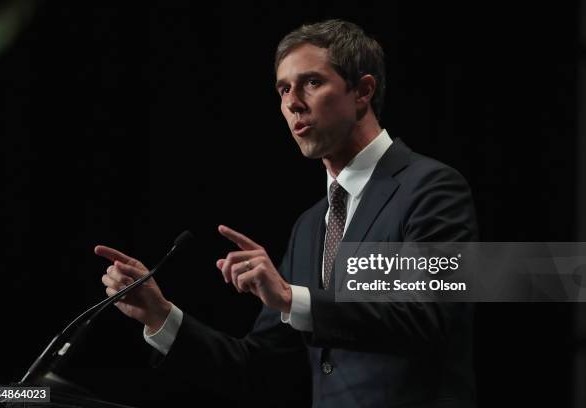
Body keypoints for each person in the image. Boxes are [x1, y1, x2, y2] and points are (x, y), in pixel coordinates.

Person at [96, 19, 478, 407]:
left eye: (312, 82)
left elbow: (429, 320)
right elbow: (257, 367)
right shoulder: (311, 226)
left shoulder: (431, 188)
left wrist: (290, 298)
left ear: (362, 91)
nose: (292, 102)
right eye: (283, 89)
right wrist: (162, 317)